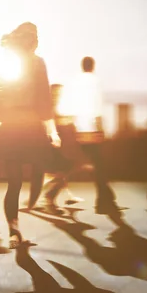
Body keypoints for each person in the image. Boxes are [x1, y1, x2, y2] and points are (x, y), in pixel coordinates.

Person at [0, 23, 60, 248]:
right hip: (32, 128)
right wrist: (52, 131)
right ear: (33, 42)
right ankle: (42, 198)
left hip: (10, 129)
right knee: (41, 167)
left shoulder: (8, 63)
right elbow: (44, 99)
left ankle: (13, 232)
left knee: (13, 183)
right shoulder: (37, 63)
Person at [58, 56, 119, 214]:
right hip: (92, 130)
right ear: (92, 66)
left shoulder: (75, 82)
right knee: (97, 164)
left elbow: (69, 106)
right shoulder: (95, 82)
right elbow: (97, 106)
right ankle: (104, 199)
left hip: (78, 129)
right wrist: (101, 128)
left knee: (88, 163)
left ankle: (106, 198)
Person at [31, 83, 85, 213]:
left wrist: (67, 120)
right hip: (47, 145)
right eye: (56, 93)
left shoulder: (52, 106)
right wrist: (67, 121)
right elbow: (50, 121)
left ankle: (44, 198)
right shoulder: (46, 106)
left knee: (62, 170)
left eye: (59, 93)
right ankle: (48, 199)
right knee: (65, 168)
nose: (58, 96)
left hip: (54, 145)